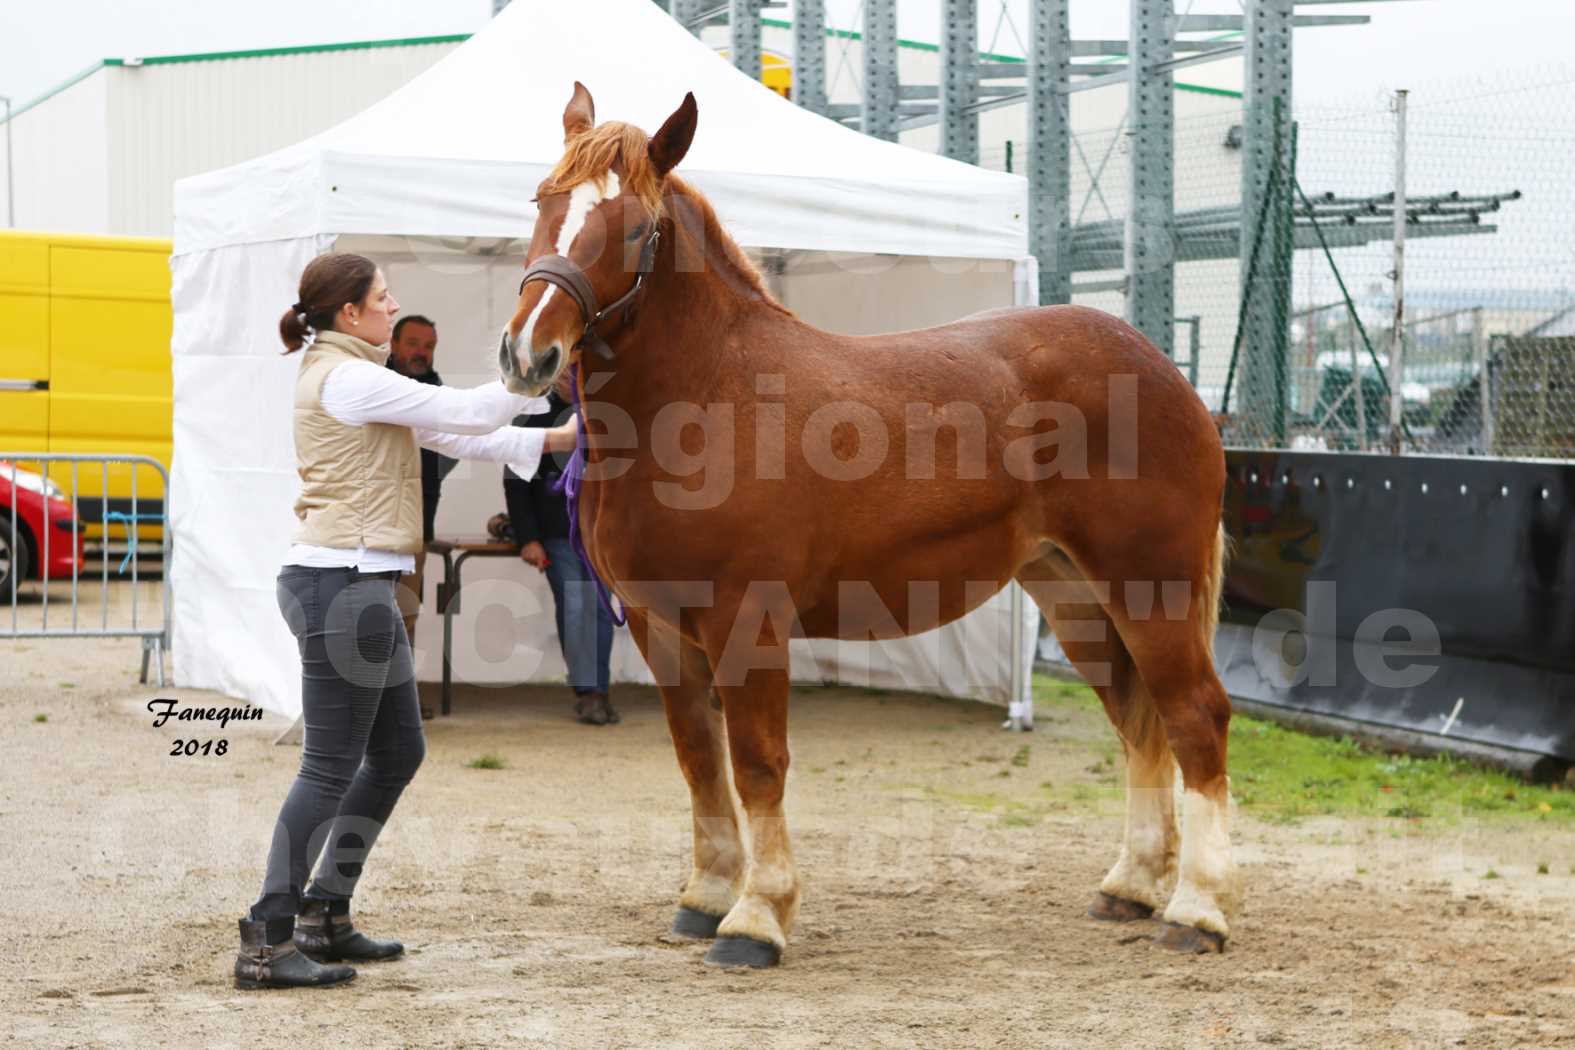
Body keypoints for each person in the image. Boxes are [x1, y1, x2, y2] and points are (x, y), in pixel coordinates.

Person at [236, 252, 576, 991]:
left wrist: (565, 437)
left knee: (395, 754)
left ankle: (324, 911)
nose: (395, 309)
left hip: (357, 585)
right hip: (342, 587)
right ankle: (266, 939)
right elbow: (465, 412)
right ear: (350, 314)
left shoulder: (356, 377)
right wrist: (534, 371)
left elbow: (460, 437)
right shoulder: (351, 377)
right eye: (384, 299)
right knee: (327, 767)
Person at [502, 372, 618, 726]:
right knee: (575, 606)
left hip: (597, 535)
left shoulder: (605, 416)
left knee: (600, 612)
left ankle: (598, 688)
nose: (572, 377)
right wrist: (529, 538)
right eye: (566, 372)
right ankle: (587, 692)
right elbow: (515, 482)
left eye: (577, 371)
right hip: (556, 533)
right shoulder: (532, 416)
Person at [385, 314, 451, 718]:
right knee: (373, 612)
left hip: (417, 527)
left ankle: (401, 697)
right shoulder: (377, 383)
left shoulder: (438, 392)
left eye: (428, 346)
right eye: (413, 343)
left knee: (406, 611)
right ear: (393, 345)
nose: (420, 353)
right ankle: (376, 697)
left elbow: (454, 449)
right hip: (372, 527)